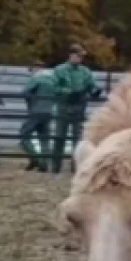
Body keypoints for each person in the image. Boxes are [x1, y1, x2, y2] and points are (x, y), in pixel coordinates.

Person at [50, 44, 101, 173]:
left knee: (77, 139)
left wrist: (95, 91)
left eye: (81, 57)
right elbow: (54, 87)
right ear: (71, 55)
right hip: (64, 107)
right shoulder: (60, 70)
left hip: (79, 108)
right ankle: (56, 166)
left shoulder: (85, 72)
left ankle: (76, 167)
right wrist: (69, 92)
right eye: (78, 56)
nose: (80, 59)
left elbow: (91, 85)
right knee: (59, 137)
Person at [19, 61, 55, 172]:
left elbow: (25, 92)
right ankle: (44, 163)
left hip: (35, 111)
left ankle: (35, 158)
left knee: (24, 135)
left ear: (36, 68)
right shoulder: (53, 80)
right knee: (44, 138)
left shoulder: (36, 78)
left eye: (32, 69)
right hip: (49, 112)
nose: (31, 72)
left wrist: (31, 102)